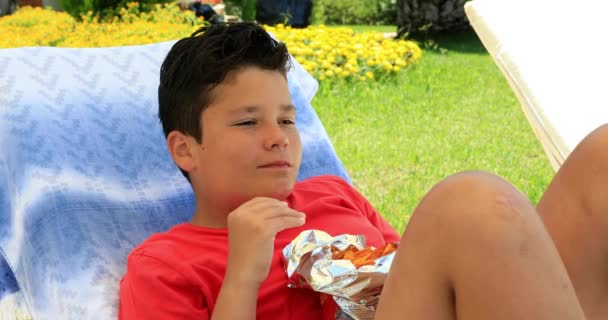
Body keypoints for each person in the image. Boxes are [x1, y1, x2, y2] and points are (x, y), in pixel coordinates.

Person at [118, 22, 608, 320]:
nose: (277, 137)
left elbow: (417, 274)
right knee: (470, 205)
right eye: (248, 122)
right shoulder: (165, 266)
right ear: (185, 150)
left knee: (602, 156)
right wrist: (243, 273)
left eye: (287, 119)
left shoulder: (332, 194)